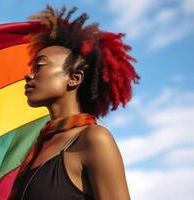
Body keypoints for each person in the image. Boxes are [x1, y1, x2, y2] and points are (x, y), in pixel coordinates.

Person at [8, 4, 140, 200]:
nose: (29, 76)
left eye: (40, 66)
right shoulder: (35, 149)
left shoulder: (94, 139)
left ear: (74, 78)